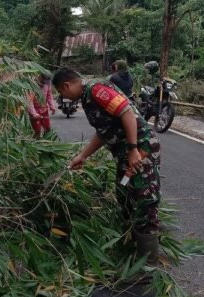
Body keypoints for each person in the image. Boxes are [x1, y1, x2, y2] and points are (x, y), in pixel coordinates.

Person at [52, 67, 161, 264]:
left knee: (143, 203)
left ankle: (148, 266)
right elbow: (104, 132)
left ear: (66, 85)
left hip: (141, 151)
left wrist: (133, 149)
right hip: (125, 155)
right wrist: (82, 156)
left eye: (61, 92)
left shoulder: (96, 90)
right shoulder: (87, 98)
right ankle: (132, 252)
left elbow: (126, 112)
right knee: (126, 199)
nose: (63, 96)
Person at [27, 72, 57, 137]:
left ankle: (46, 143)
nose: (45, 83)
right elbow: (29, 101)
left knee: (48, 129)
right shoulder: (31, 85)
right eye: (43, 80)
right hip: (34, 111)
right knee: (37, 130)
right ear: (39, 77)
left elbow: (49, 95)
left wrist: (52, 106)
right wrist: (34, 114)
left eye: (46, 81)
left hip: (44, 109)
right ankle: (36, 144)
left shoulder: (47, 84)